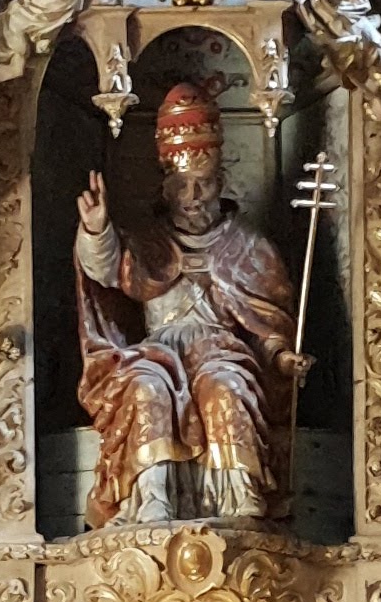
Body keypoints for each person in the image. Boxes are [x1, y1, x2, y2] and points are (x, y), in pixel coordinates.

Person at [76, 77, 297, 527]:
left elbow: (267, 326)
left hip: (222, 351)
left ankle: (239, 499)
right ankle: (152, 500)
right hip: (157, 351)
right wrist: (97, 230)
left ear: (221, 182)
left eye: (203, 184)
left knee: (226, 387)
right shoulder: (149, 243)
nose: (193, 198)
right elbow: (106, 270)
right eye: (182, 186)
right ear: (165, 188)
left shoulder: (248, 246)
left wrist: (281, 357)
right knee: (144, 388)